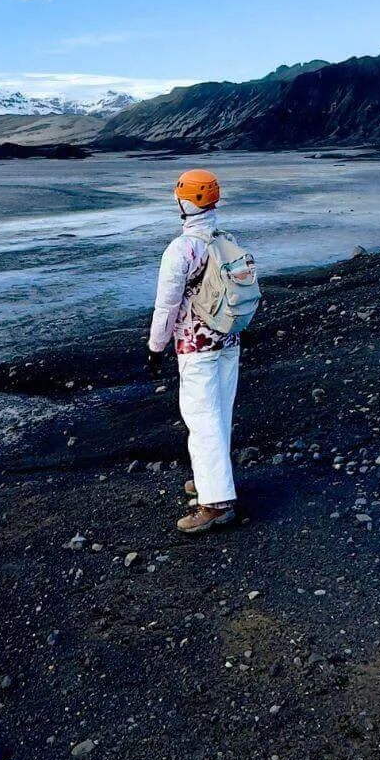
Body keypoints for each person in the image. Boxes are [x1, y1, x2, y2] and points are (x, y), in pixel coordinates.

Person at [147, 168, 240, 534]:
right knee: (219, 413)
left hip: (196, 345)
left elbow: (166, 306)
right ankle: (212, 479)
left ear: (186, 202)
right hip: (229, 340)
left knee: (202, 420)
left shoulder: (181, 249)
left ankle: (216, 503)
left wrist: (155, 347)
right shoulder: (226, 239)